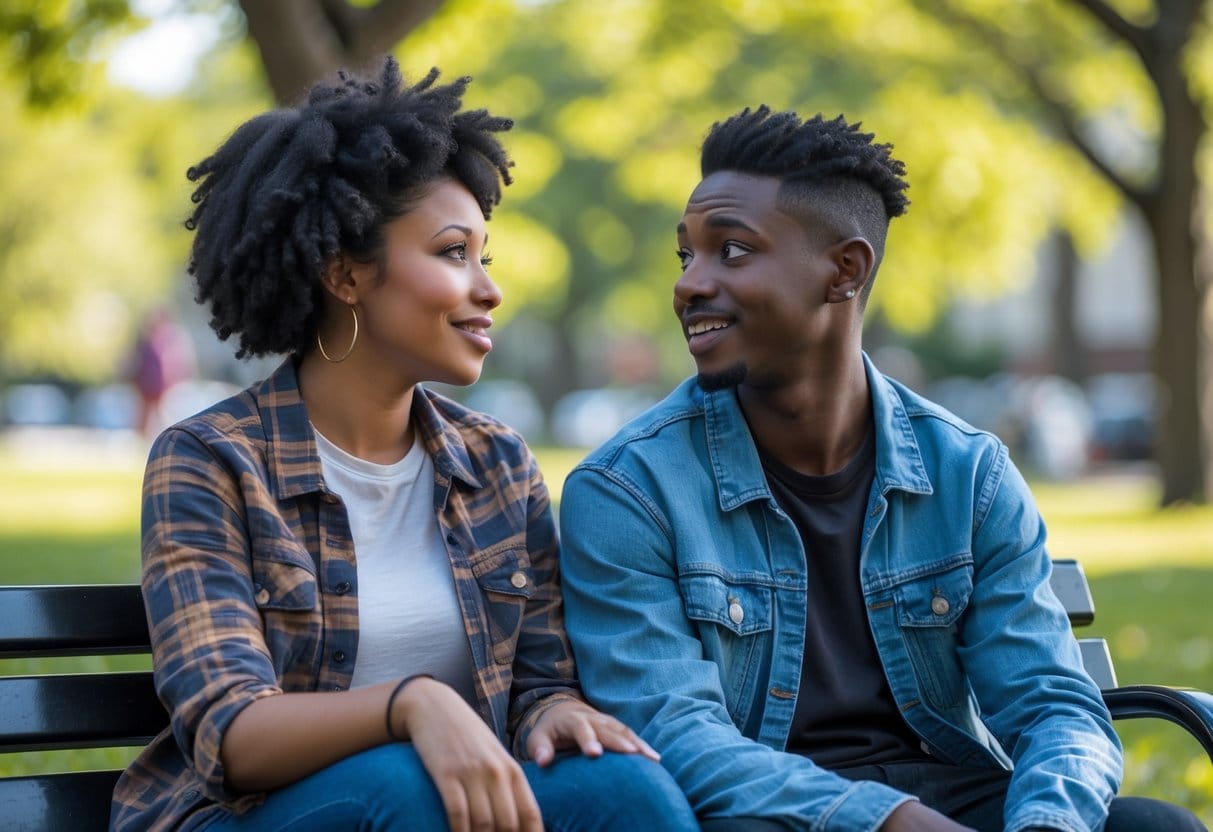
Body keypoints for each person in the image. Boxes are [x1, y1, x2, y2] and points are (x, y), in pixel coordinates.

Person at [558, 106, 1207, 832]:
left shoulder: (970, 474)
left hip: (957, 797)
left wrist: (1046, 826)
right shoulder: (627, 491)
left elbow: (1052, 704)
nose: (689, 284)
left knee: (1154, 829)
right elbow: (681, 740)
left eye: (731, 252)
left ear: (845, 269)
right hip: (767, 810)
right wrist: (892, 822)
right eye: (686, 257)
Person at [110, 58, 698, 832]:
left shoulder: (497, 463)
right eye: (454, 253)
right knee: (398, 783)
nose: (488, 288)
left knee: (628, 792)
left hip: (442, 812)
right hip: (248, 816)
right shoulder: (211, 461)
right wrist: (409, 705)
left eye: (485, 255)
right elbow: (231, 732)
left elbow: (539, 683)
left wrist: (550, 713)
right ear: (345, 275)